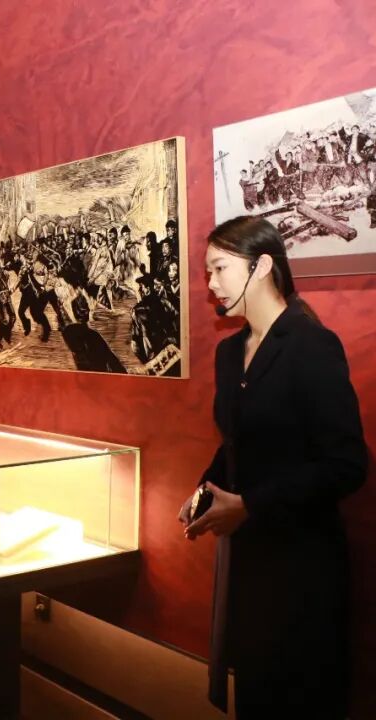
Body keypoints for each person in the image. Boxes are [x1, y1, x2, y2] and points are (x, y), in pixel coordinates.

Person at [182, 216, 367, 718]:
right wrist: (205, 493)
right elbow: (237, 443)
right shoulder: (229, 352)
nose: (211, 283)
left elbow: (347, 464)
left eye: (219, 268)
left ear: (261, 266)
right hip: (250, 563)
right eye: (208, 271)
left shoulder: (311, 345)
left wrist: (251, 505)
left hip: (302, 565)